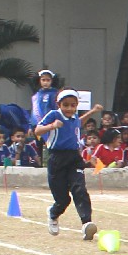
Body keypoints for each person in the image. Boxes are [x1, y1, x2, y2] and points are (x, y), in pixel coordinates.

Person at [33, 86, 96, 238]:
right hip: (57, 158)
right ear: (59, 104)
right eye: (65, 105)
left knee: (79, 189)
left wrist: (93, 111)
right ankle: (53, 213)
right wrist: (52, 126)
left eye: (73, 105)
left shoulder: (74, 117)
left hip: (74, 158)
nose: (69, 108)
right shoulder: (54, 115)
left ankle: (86, 223)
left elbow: (78, 122)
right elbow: (37, 131)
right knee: (63, 199)